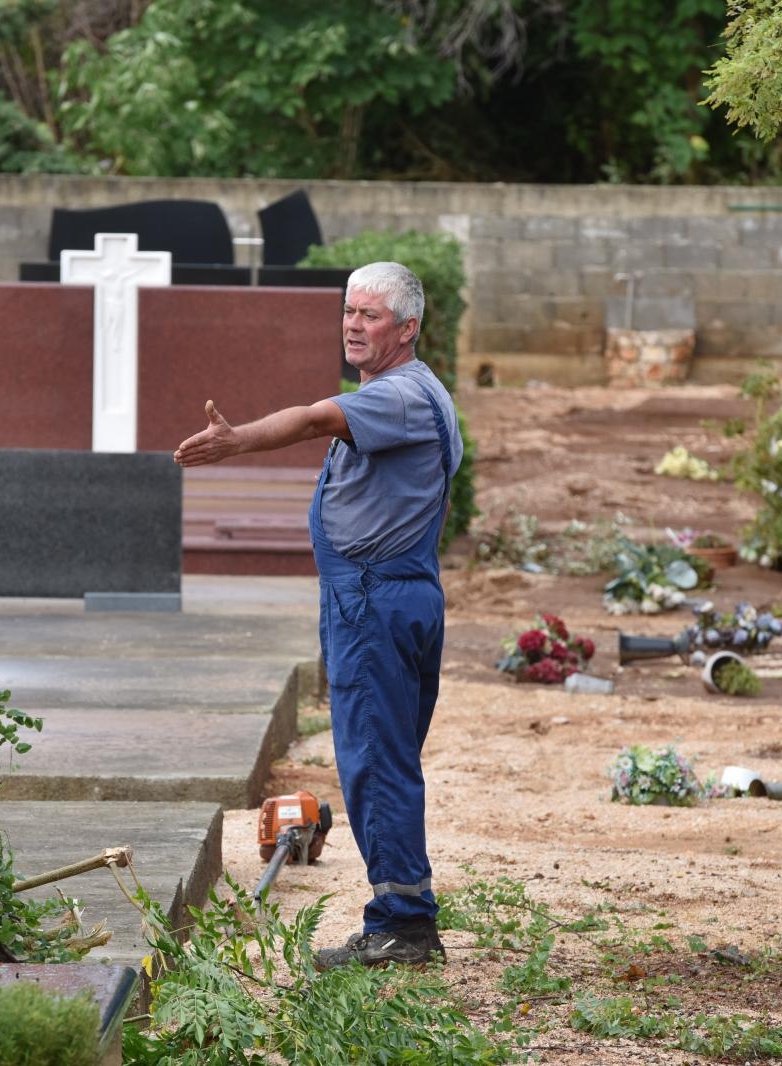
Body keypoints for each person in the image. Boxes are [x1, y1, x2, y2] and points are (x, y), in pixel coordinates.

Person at [174, 261, 461, 969]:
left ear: (407, 329)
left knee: (377, 764)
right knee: (385, 760)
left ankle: (404, 926)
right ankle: (406, 918)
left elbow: (312, 418)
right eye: (349, 312)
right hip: (387, 595)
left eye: (371, 315)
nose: (353, 326)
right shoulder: (410, 391)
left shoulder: (399, 395)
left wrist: (238, 441)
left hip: (373, 602)